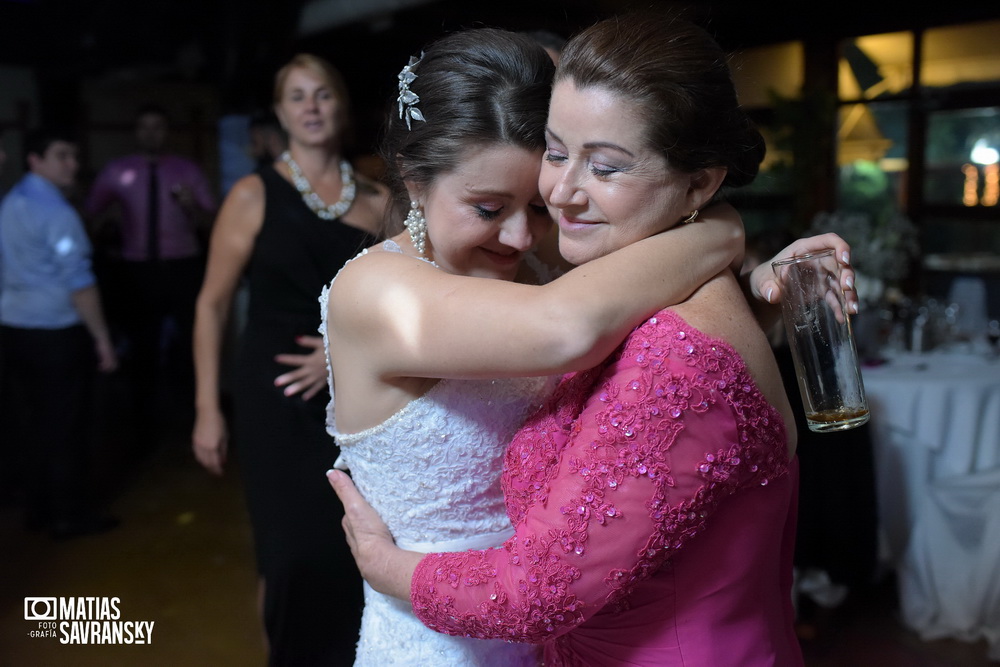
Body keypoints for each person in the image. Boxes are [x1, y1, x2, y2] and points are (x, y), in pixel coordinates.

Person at [329, 14, 858, 666]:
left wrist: (744, 289)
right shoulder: (387, 289)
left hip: (548, 624)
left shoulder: (572, 276)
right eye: (556, 155)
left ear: (700, 180)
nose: (532, 229)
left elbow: (678, 387)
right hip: (438, 637)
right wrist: (719, 231)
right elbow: (572, 332)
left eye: (598, 167)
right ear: (414, 180)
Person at [192, 54, 388, 665]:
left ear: (341, 107)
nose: (311, 106)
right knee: (288, 556)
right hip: (274, 400)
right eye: (297, 96)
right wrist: (206, 408)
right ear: (280, 113)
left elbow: (394, 309)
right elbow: (212, 305)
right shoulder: (253, 195)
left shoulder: (379, 201)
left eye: (323, 94)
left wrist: (340, 359)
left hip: (357, 396)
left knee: (347, 548)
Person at [0, 127, 119, 539]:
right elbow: (80, 284)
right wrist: (101, 338)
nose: (73, 164)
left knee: (31, 422)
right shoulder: (57, 213)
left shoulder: (11, 203)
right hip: (54, 333)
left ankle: (39, 508)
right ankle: (69, 515)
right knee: (66, 426)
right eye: (62, 155)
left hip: (14, 330)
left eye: (73, 155)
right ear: (36, 160)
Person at [85, 103, 217, 441]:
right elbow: (90, 211)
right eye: (144, 126)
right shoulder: (118, 171)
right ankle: (141, 421)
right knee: (142, 343)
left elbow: (215, 222)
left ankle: (193, 414)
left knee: (190, 342)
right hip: (137, 268)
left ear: (166, 131)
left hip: (183, 265)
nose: (150, 133)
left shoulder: (187, 171)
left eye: (157, 126)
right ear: (136, 131)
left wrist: (191, 208)